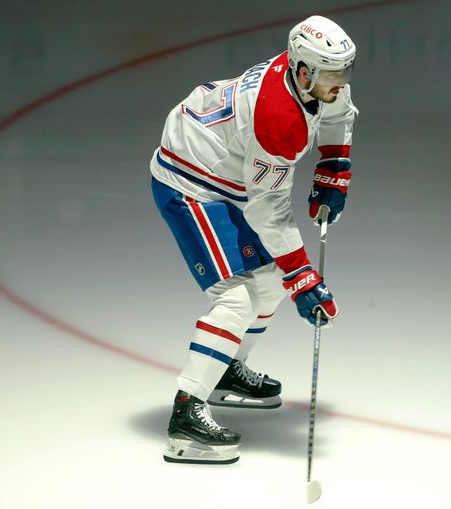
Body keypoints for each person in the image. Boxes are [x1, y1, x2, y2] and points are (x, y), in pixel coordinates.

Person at [150, 15, 358, 464]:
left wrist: (334, 166)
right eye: (331, 75)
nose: (340, 83)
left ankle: (221, 371)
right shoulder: (278, 117)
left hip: (226, 175)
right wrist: (304, 277)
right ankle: (186, 416)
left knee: (269, 285)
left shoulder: (318, 80)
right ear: (303, 71)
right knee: (239, 297)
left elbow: (339, 114)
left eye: (344, 72)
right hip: (192, 181)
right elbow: (268, 210)